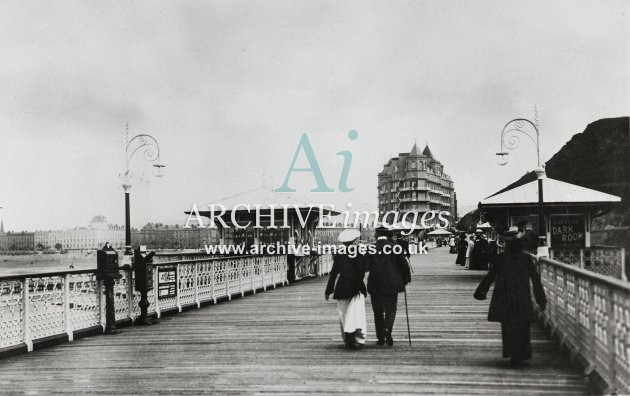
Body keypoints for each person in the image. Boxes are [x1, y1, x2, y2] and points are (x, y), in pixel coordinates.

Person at [473, 225, 547, 366]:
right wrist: (541, 300)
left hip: (504, 297)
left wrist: (481, 291)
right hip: (522, 296)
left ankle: (512, 352)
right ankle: (522, 353)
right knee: (522, 326)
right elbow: (536, 280)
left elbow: (490, 276)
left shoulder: (501, 258)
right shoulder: (526, 259)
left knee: (508, 326)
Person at [367, 226, 411, 347]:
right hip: (392, 284)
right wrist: (405, 280)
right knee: (391, 309)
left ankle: (380, 337)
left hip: (375, 284)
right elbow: (404, 265)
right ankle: (387, 330)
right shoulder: (395, 247)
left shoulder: (371, 248)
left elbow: (365, 266)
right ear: (388, 235)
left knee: (378, 311)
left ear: (377, 235)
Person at [325, 229, 367, 349]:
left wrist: (329, 290)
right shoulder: (359, 254)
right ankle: (355, 337)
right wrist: (361, 287)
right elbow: (361, 272)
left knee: (343, 314)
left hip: (342, 287)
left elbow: (333, 273)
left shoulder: (339, 254)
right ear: (354, 241)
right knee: (355, 315)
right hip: (355, 287)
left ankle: (347, 338)